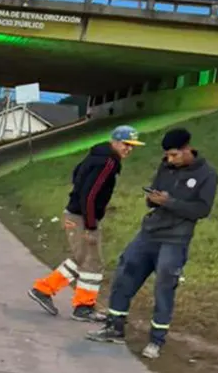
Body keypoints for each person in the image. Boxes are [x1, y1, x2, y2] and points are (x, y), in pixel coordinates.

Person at [88, 127, 218, 359]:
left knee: (164, 287)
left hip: (175, 239)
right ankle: (114, 326)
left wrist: (169, 202)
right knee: (125, 273)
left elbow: (202, 210)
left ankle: (156, 340)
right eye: (167, 155)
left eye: (174, 155)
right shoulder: (165, 166)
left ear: (187, 149)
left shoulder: (207, 174)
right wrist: (152, 199)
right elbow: (155, 192)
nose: (170, 160)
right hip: (149, 233)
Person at [28, 125, 144, 322]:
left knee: (80, 258)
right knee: (93, 262)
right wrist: (90, 226)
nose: (129, 149)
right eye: (126, 144)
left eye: (132, 146)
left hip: (75, 213)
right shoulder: (108, 162)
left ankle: (43, 289)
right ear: (115, 142)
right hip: (81, 217)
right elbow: (90, 195)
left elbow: (77, 173)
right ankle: (84, 307)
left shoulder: (97, 155)